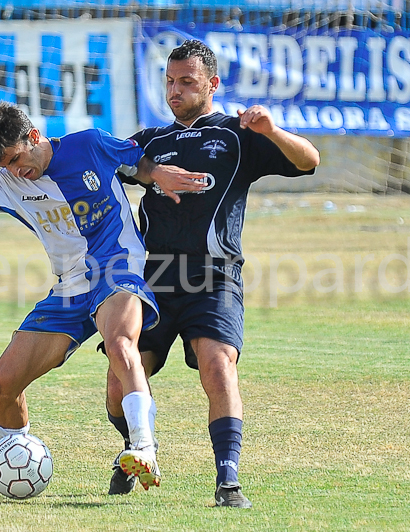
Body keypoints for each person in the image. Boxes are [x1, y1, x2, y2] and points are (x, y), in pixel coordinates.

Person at [0, 101, 206, 494]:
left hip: (117, 267)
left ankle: (144, 449)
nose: (16, 172)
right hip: (69, 286)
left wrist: (158, 174)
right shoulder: (9, 182)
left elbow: (137, 162)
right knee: (2, 383)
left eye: (16, 159)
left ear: (34, 137)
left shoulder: (91, 144)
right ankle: (4, 468)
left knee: (120, 343)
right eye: (5, 167)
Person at [102, 39, 320, 508]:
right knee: (117, 387)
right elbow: (100, 160)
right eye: (169, 82)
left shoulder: (238, 136)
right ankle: (136, 447)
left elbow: (309, 160)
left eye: (186, 82)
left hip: (214, 277)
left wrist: (274, 131)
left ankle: (228, 480)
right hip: (151, 279)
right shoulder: (150, 141)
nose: (174, 91)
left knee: (219, 368)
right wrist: (150, 173)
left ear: (213, 84)